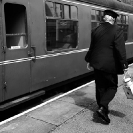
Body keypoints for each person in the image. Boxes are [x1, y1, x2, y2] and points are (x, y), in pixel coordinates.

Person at [85, 9, 128, 124]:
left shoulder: (95, 30)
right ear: (113, 19)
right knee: (112, 87)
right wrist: (124, 64)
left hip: (97, 64)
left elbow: (92, 47)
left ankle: (101, 108)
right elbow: (120, 49)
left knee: (100, 86)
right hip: (110, 65)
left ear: (104, 18)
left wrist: (88, 60)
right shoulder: (117, 30)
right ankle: (103, 107)